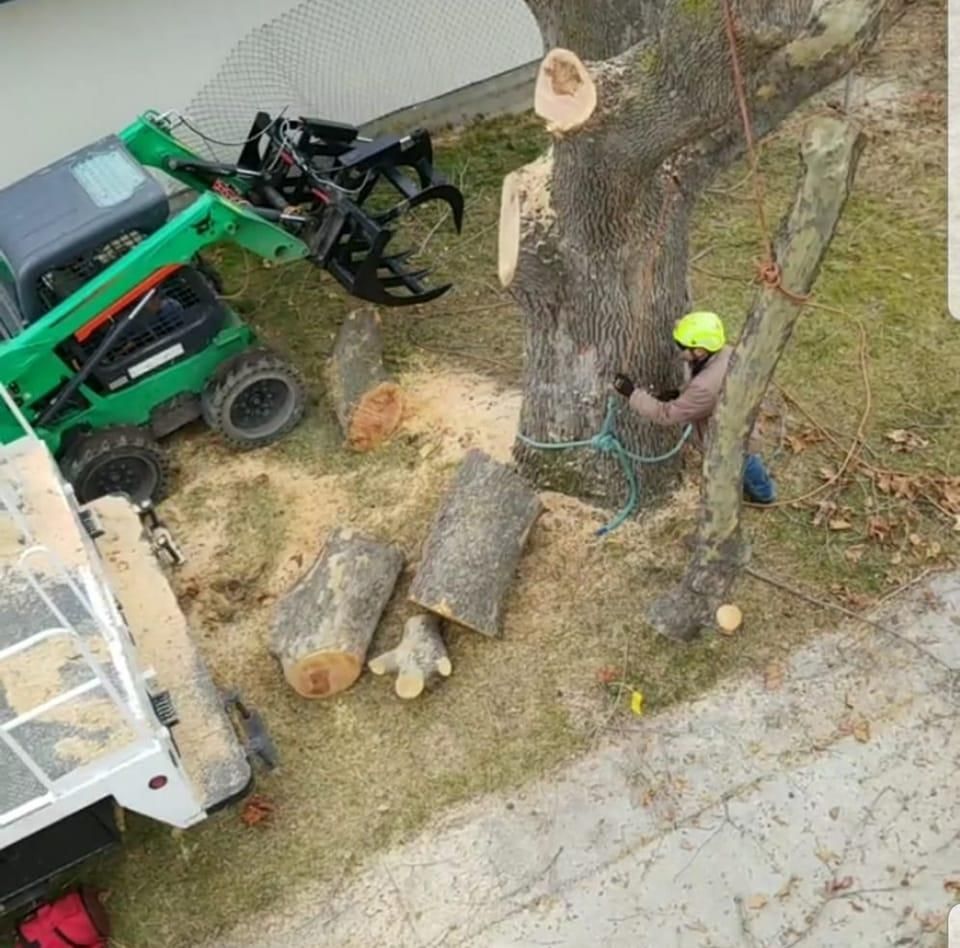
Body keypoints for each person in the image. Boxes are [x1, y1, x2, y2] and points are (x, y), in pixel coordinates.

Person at [611, 310, 776, 504]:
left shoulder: (703, 387)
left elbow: (666, 415)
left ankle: (765, 494)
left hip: (731, 437)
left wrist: (632, 394)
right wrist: (679, 393)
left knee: (745, 462)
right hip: (740, 421)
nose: (679, 351)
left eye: (682, 347)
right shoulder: (727, 352)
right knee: (743, 458)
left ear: (699, 351)